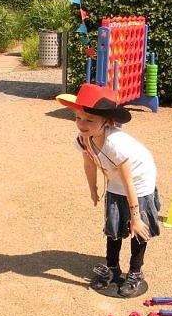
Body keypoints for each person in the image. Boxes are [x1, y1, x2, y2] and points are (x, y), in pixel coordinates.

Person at [56, 83, 160, 298]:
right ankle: (112, 269)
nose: (82, 124)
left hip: (139, 181)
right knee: (113, 228)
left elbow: (129, 182)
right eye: (78, 117)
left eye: (90, 120)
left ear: (108, 122)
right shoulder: (83, 139)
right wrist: (92, 188)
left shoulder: (116, 144)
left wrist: (136, 217)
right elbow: (89, 163)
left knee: (136, 230)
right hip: (114, 179)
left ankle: (135, 272)